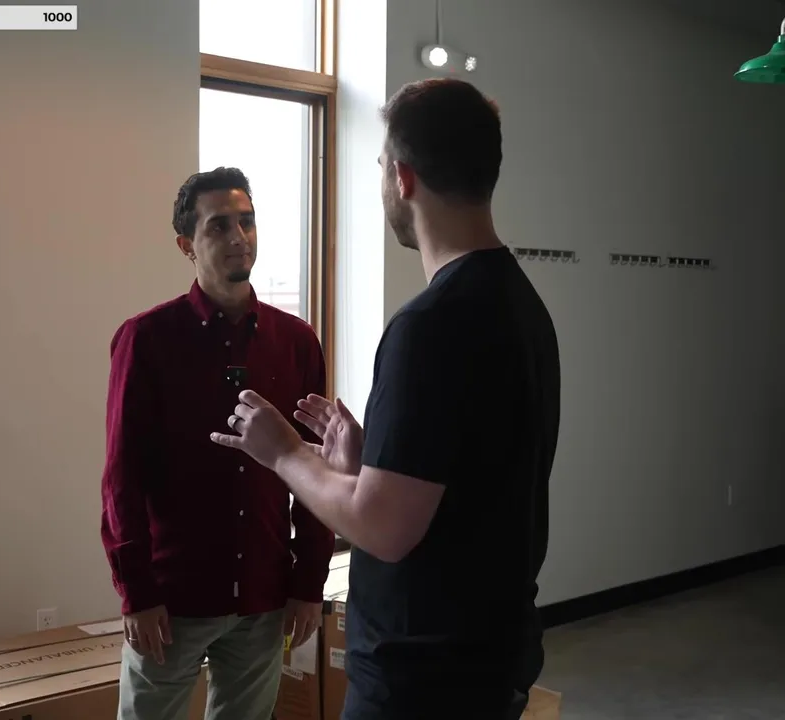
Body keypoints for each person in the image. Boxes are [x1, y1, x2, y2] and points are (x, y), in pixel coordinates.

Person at [209, 78, 561, 719]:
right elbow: (462, 487)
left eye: (378, 167)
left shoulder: (429, 324)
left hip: (421, 680)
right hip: (488, 657)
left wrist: (284, 451)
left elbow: (383, 528)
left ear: (403, 177)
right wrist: (365, 467)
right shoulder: (519, 303)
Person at [102, 167, 337, 720]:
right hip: (172, 599)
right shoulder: (147, 340)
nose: (239, 237)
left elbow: (316, 468)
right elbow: (123, 476)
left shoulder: (296, 342)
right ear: (186, 244)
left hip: (263, 596)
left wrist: (309, 581)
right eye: (218, 226)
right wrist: (136, 592)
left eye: (247, 222)